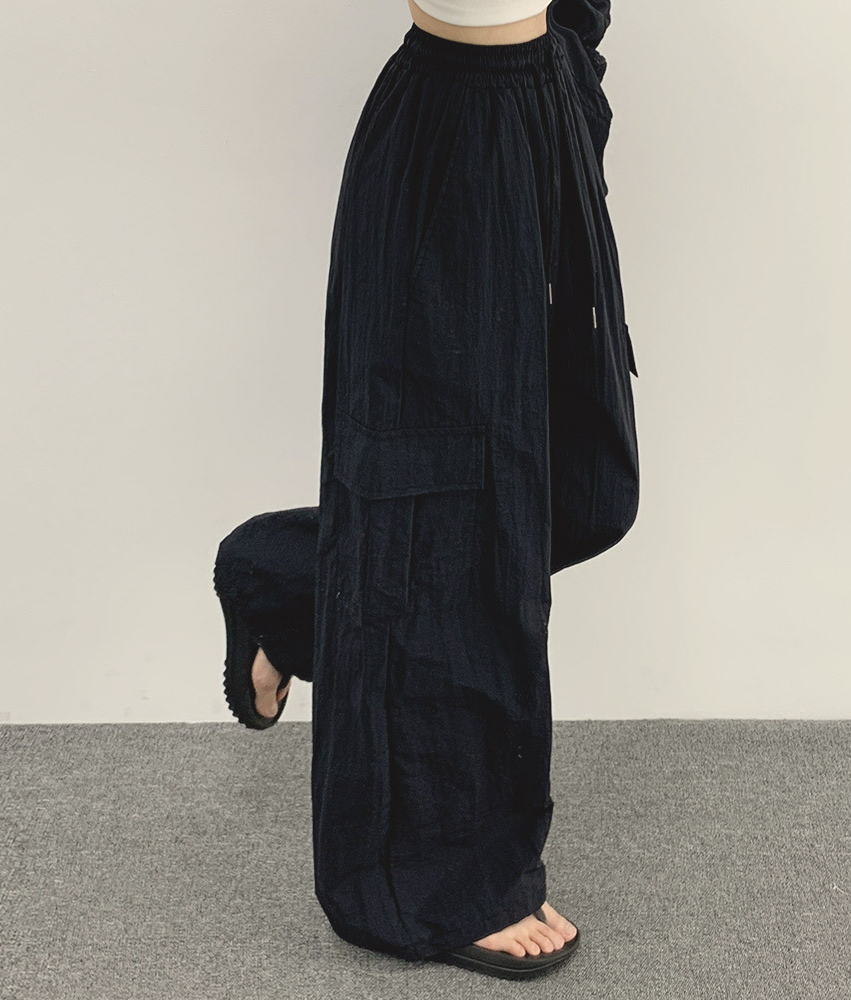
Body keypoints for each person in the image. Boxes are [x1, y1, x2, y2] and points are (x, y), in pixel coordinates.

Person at [214, 0, 638, 979]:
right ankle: (436, 877)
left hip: (545, 101)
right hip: (452, 131)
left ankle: (289, 580)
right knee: (446, 513)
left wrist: (574, 86)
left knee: (586, 487)